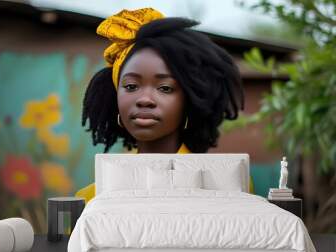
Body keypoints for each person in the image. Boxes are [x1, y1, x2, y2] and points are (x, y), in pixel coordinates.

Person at [76, 8, 246, 202]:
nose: (144, 99)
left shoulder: (230, 191)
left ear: (189, 101)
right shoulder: (89, 200)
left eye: (165, 88)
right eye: (131, 86)